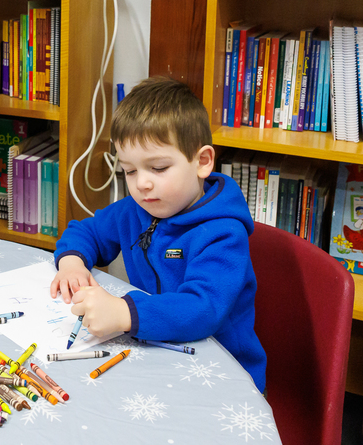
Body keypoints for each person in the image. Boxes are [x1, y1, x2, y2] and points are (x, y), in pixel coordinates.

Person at [49, 77, 266, 392]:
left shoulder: (223, 234)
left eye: (159, 168)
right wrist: (71, 262)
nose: (142, 184)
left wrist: (125, 312)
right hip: (161, 357)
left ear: (202, 162)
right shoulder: (138, 209)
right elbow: (87, 231)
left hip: (223, 376)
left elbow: (203, 309)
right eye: (130, 171)